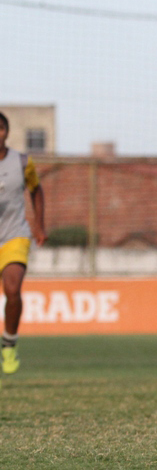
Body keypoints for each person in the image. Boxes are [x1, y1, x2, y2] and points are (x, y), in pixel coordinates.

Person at [0, 112, 47, 385]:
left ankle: (9, 343)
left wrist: (39, 226)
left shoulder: (21, 161)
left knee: (13, 289)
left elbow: (36, 191)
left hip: (15, 236)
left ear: (7, 132)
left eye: (1, 128)